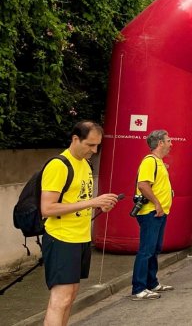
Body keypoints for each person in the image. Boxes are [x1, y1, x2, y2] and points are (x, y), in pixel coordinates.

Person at [41, 121, 119, 324]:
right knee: (61, 298)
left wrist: (99, 205)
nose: (94, 150)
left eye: (97, 146)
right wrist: (93, 201)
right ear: (75, 139)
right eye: (90, 145)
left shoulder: (85, 164)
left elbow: (78, 200)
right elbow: (47, 208)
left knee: (71, 296)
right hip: (61, 237)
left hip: (80, 237)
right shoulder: (59, 165)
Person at [131, 130, 175, 300]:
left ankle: (152, 282)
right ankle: (139, 288)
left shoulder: (158, 162)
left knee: (154, 249)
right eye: (169, 140)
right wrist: (157, 203)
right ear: (160, 143)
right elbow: (143, 185)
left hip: (159, 212)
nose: (171, 144)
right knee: (146, 250)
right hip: (151, 212)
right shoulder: (150, 162)